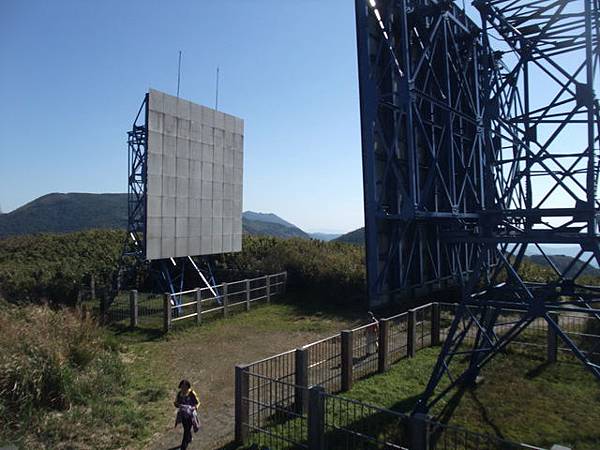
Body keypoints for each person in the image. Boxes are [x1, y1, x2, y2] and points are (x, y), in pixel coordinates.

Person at [174, 379, 200, 450]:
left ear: (188, 387)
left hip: (191, 415)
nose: (183, 389)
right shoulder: (179, 394)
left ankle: (183, 447)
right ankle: (189, 437)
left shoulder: (191, 393)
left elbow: (197, 402)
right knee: (186, 428)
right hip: (183, 415)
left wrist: (194, 408)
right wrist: (179, 405)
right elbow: (176, 402)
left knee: (186, 430)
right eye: (182, 387)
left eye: (185, 387)